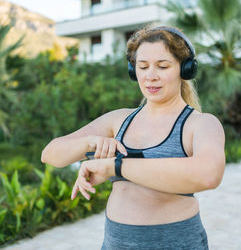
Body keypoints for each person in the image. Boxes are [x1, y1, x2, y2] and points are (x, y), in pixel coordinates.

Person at [41, 25, 225, 249]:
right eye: (143, 66)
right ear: (133, 70)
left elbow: (208, 175)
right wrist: (91, 143)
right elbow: (50, 154)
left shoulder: (201, 123)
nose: (150, 76)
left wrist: (115, 167)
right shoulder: (119, 120)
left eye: (163, 66)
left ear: (185, 69)